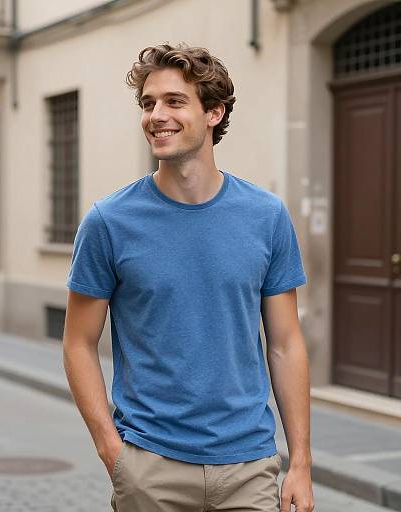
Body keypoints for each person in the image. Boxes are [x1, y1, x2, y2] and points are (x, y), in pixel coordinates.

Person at [62, 42, 315, 512]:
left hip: (249, 466)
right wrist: (113, 453)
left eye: (174, 102)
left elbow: (285, 343)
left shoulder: (266, 217)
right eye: (148, 103)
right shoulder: (109, 222)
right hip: (149, 466)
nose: (156, 115)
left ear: (214, 112)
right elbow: (78, 342)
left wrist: (299, 461)